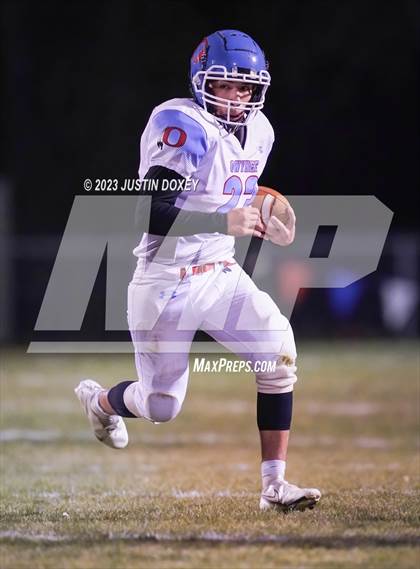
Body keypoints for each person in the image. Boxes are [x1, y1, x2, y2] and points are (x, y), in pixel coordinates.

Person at [75, 29, 321, 512]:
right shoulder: (181, 123)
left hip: (219, 271)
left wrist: (259, 206)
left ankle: (274, 487)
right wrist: (225, 221)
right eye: (225, 85)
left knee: (279, 355)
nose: (235, 96)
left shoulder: (262, 131)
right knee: (161, 405)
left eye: (245, 87)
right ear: (201, 82)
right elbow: (149, 211)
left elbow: (222, 187)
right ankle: (101, 402)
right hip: (165, 279)